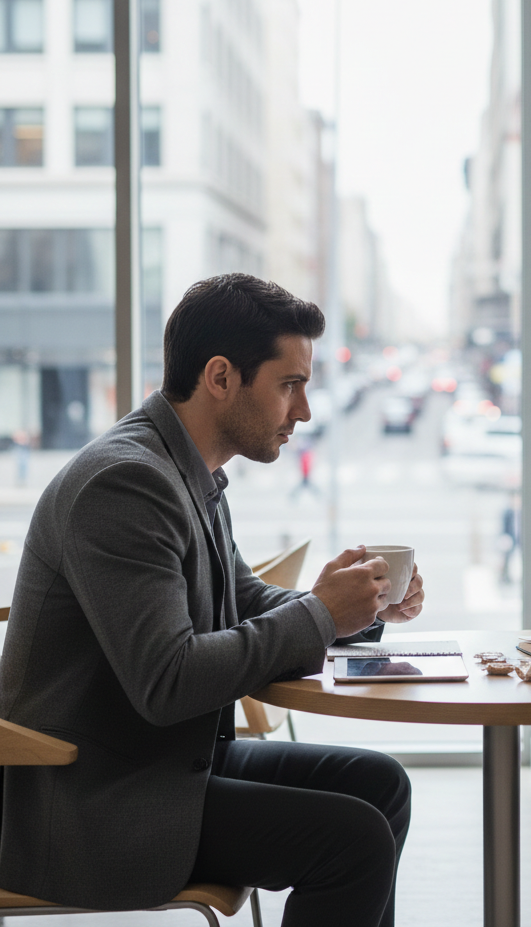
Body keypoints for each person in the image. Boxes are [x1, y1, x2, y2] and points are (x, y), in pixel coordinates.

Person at [0, 274, 425, 927]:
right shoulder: (128, 483)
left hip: (157, 765)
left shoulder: (181, 467)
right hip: (90, 803)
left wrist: (356, 610)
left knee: (381, 785)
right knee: (353, 840)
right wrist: (319, 614)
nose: (305, 411)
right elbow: (167, 681)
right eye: (290, 385)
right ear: (221, 377)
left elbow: (243, 598)